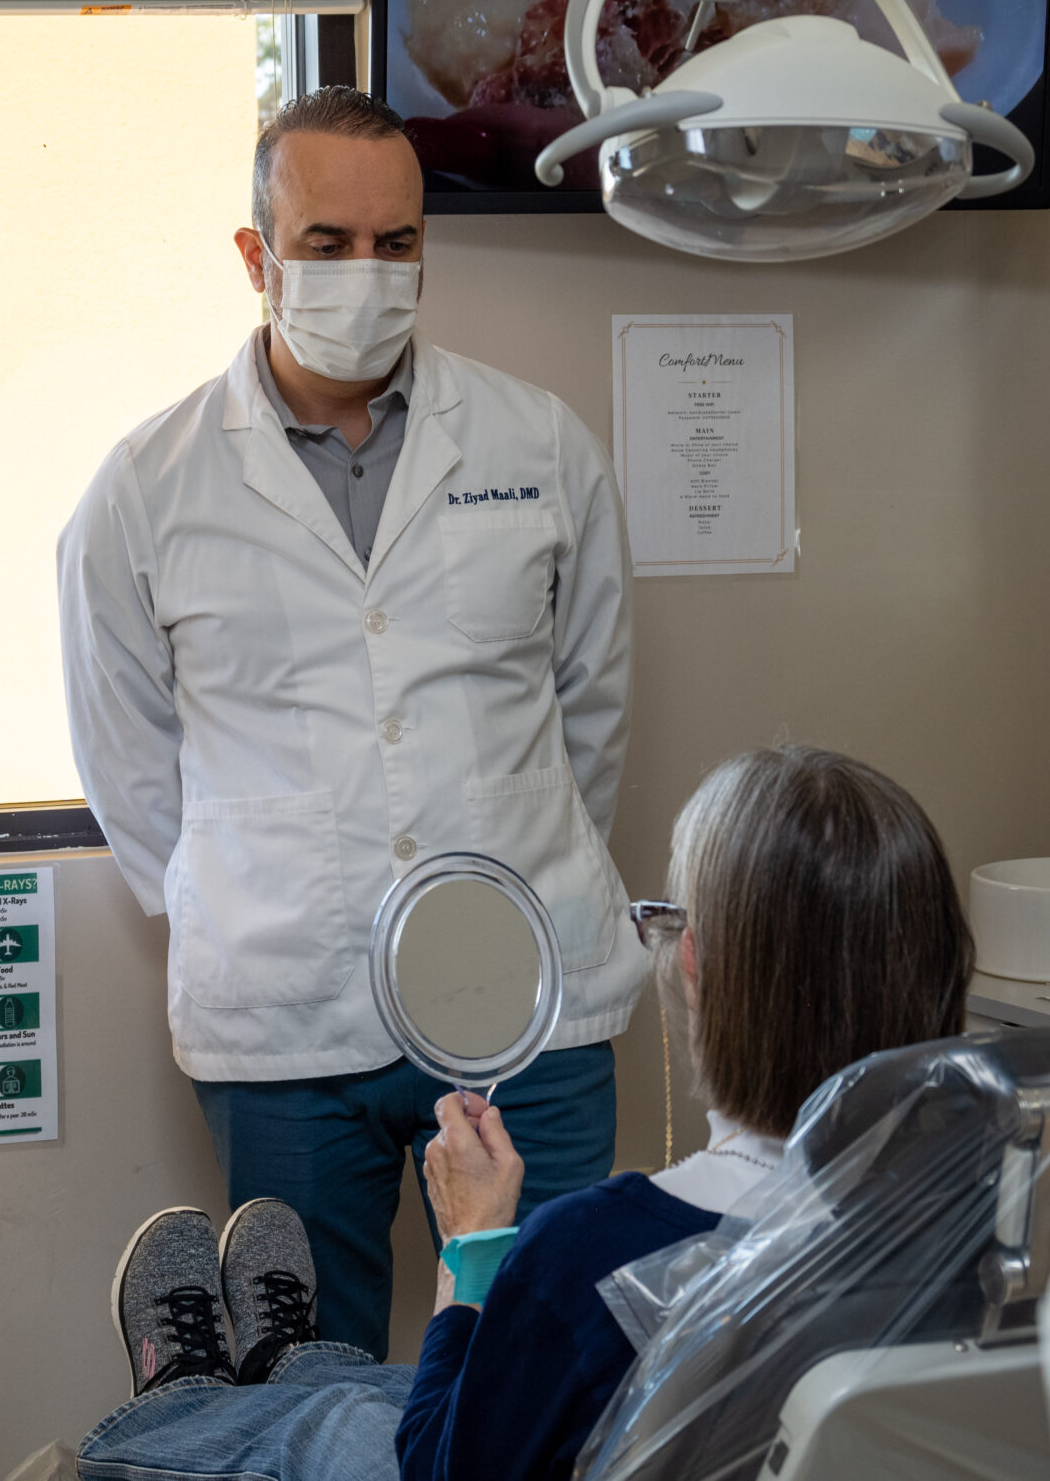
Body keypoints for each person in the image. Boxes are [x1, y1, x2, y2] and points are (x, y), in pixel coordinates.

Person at [58, 85, 643, 1359]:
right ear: (256, 257)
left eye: (397, 243)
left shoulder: (539, 443)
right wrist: (250, 886)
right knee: (306, 1369)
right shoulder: (145, 489)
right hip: (284, 1010)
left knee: (538, 1359)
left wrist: (504, 871)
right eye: (326, 244)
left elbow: (589, 707)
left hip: (522, 994)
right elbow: (126, 760)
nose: (366, 273)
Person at [75, 745, 978, 1481]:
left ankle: (187, 1398)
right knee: (376, 1394)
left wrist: (472, 1245)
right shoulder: (1006, 1221)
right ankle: (297, 1366)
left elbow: (441, 1471)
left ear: (693, 964)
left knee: (353, 1428)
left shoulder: (585, 1254)